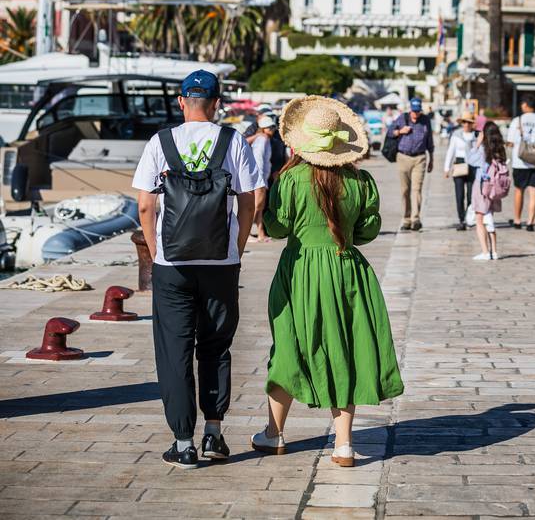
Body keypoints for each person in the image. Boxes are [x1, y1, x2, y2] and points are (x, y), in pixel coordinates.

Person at [250, 96, 403, 467]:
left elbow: (277, 227)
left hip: (300, 271)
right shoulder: (360, 181)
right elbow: (367, 231)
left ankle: (274, 435)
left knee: (288, 348)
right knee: (345, 349)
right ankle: (344, 445)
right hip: (348, 269)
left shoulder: (289, 179)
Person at [133, 70, 262, 470]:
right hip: (220, 263)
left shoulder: (161, 141)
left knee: (174, 351)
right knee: (215, 346)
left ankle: (183, 442)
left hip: (173, 264)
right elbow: (248, 201)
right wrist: (235, 249)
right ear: (217, 102)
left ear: (180, 101)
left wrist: (157, 254)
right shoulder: (233, 140)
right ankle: (215, 433)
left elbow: (145, 206)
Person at [506, 94, 535, 231]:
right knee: (534, 191)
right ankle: (530, 222)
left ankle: (517, 220)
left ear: (526, 105)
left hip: (520, 161)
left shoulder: (517, 120)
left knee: (519, 190)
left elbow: (510, 142)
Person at [389, 96, 434, 232]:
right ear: (410, 110)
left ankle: (416, 219)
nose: (416, 114)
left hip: (420, 158)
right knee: (405, 190)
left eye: (418, 111)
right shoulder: (402, 118)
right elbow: (390, 132)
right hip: (403, 157)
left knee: (417, 189)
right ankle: (406, 218)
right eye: (414, 111)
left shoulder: (426, 120)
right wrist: (400, 131)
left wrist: (431, 159)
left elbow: (430, 141)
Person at [468, 120, 509, 261]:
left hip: (482, 187)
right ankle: (494, 252)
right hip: (495, 189)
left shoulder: (483, 150)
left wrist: (477, 143)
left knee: (480, 220)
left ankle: (485, 252)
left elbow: (470, 160)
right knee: (490, 219)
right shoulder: (500, 150)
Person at [244, 117, 275, 241]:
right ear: (263, 128)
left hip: (261, 177)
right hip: (259, 178)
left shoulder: (263, 138)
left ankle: (260, 233)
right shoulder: (262, 139)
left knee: (259, 207)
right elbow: (259, 160)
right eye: (270, 127)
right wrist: (260, 180)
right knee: (257, 206)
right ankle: (248, 233)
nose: (273, 130)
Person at [444, 112, 476, 230]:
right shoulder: (456, 135)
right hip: (459, 164)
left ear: (472, 124)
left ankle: (469, 218)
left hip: (472, 165)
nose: (466, 124)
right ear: (461, 123)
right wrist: (446, 168)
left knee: (471, 194)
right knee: (459, 194)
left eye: (469, 122)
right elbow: (450, 151)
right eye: (464, 122)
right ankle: (461, 219)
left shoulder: (476, 136)